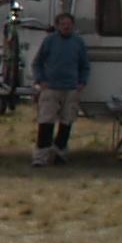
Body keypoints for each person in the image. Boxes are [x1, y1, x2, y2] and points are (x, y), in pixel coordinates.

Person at [31, 10, 91, 166]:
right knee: (46, 123)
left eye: (69, 24)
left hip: (71, 89)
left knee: (66, 123)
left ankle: (59, 154)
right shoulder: (49, 41)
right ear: (57, 26)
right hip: (51, 88)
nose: (66, 27)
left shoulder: (78, 42)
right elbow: (37, 63)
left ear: (73, 26)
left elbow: (85, 65)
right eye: (63, 24)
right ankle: (40, 158)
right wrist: (40, 80)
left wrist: (82, 82)